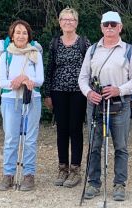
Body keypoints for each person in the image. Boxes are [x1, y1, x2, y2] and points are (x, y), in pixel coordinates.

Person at [78, 11, 132, 201]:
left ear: (120, 27)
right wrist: (89, 92)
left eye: (113, 24)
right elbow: (82, 78)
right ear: (101, 27)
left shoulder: (129, 50)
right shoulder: (92, 50)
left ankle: (119, 184)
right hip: (96, 105)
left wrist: (118, 90)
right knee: (95, 146)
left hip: (119, 105)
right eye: (106, 25)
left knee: (121, 147)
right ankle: (93, 182)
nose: (110, 28)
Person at [44, 7, 90, 188]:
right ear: (59, 22)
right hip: (58, 91)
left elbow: (90, 69)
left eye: (71, 20)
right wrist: (47, 93)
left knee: (75, 129)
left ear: (76, 23)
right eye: (65, 19)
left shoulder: (84, 43)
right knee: (62, 130)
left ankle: (75, 169)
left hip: (79, 92)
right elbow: (50, 69)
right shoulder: (55, 43)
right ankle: (62, 167)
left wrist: (90, 91)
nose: (68, 22)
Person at [0, 20, 44, 191]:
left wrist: (27, 80)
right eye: (17, 32)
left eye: (24, 32)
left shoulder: (35, 54)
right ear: (12, 35)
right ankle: (8, 174)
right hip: (10, 99)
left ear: (29, 36)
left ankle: (28, 175)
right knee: (11, 138)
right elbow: (1, 81)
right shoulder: (5, 55)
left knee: (30, 138)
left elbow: (40, 79)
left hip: (32, 98)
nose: (21, 35)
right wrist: (16, 82)